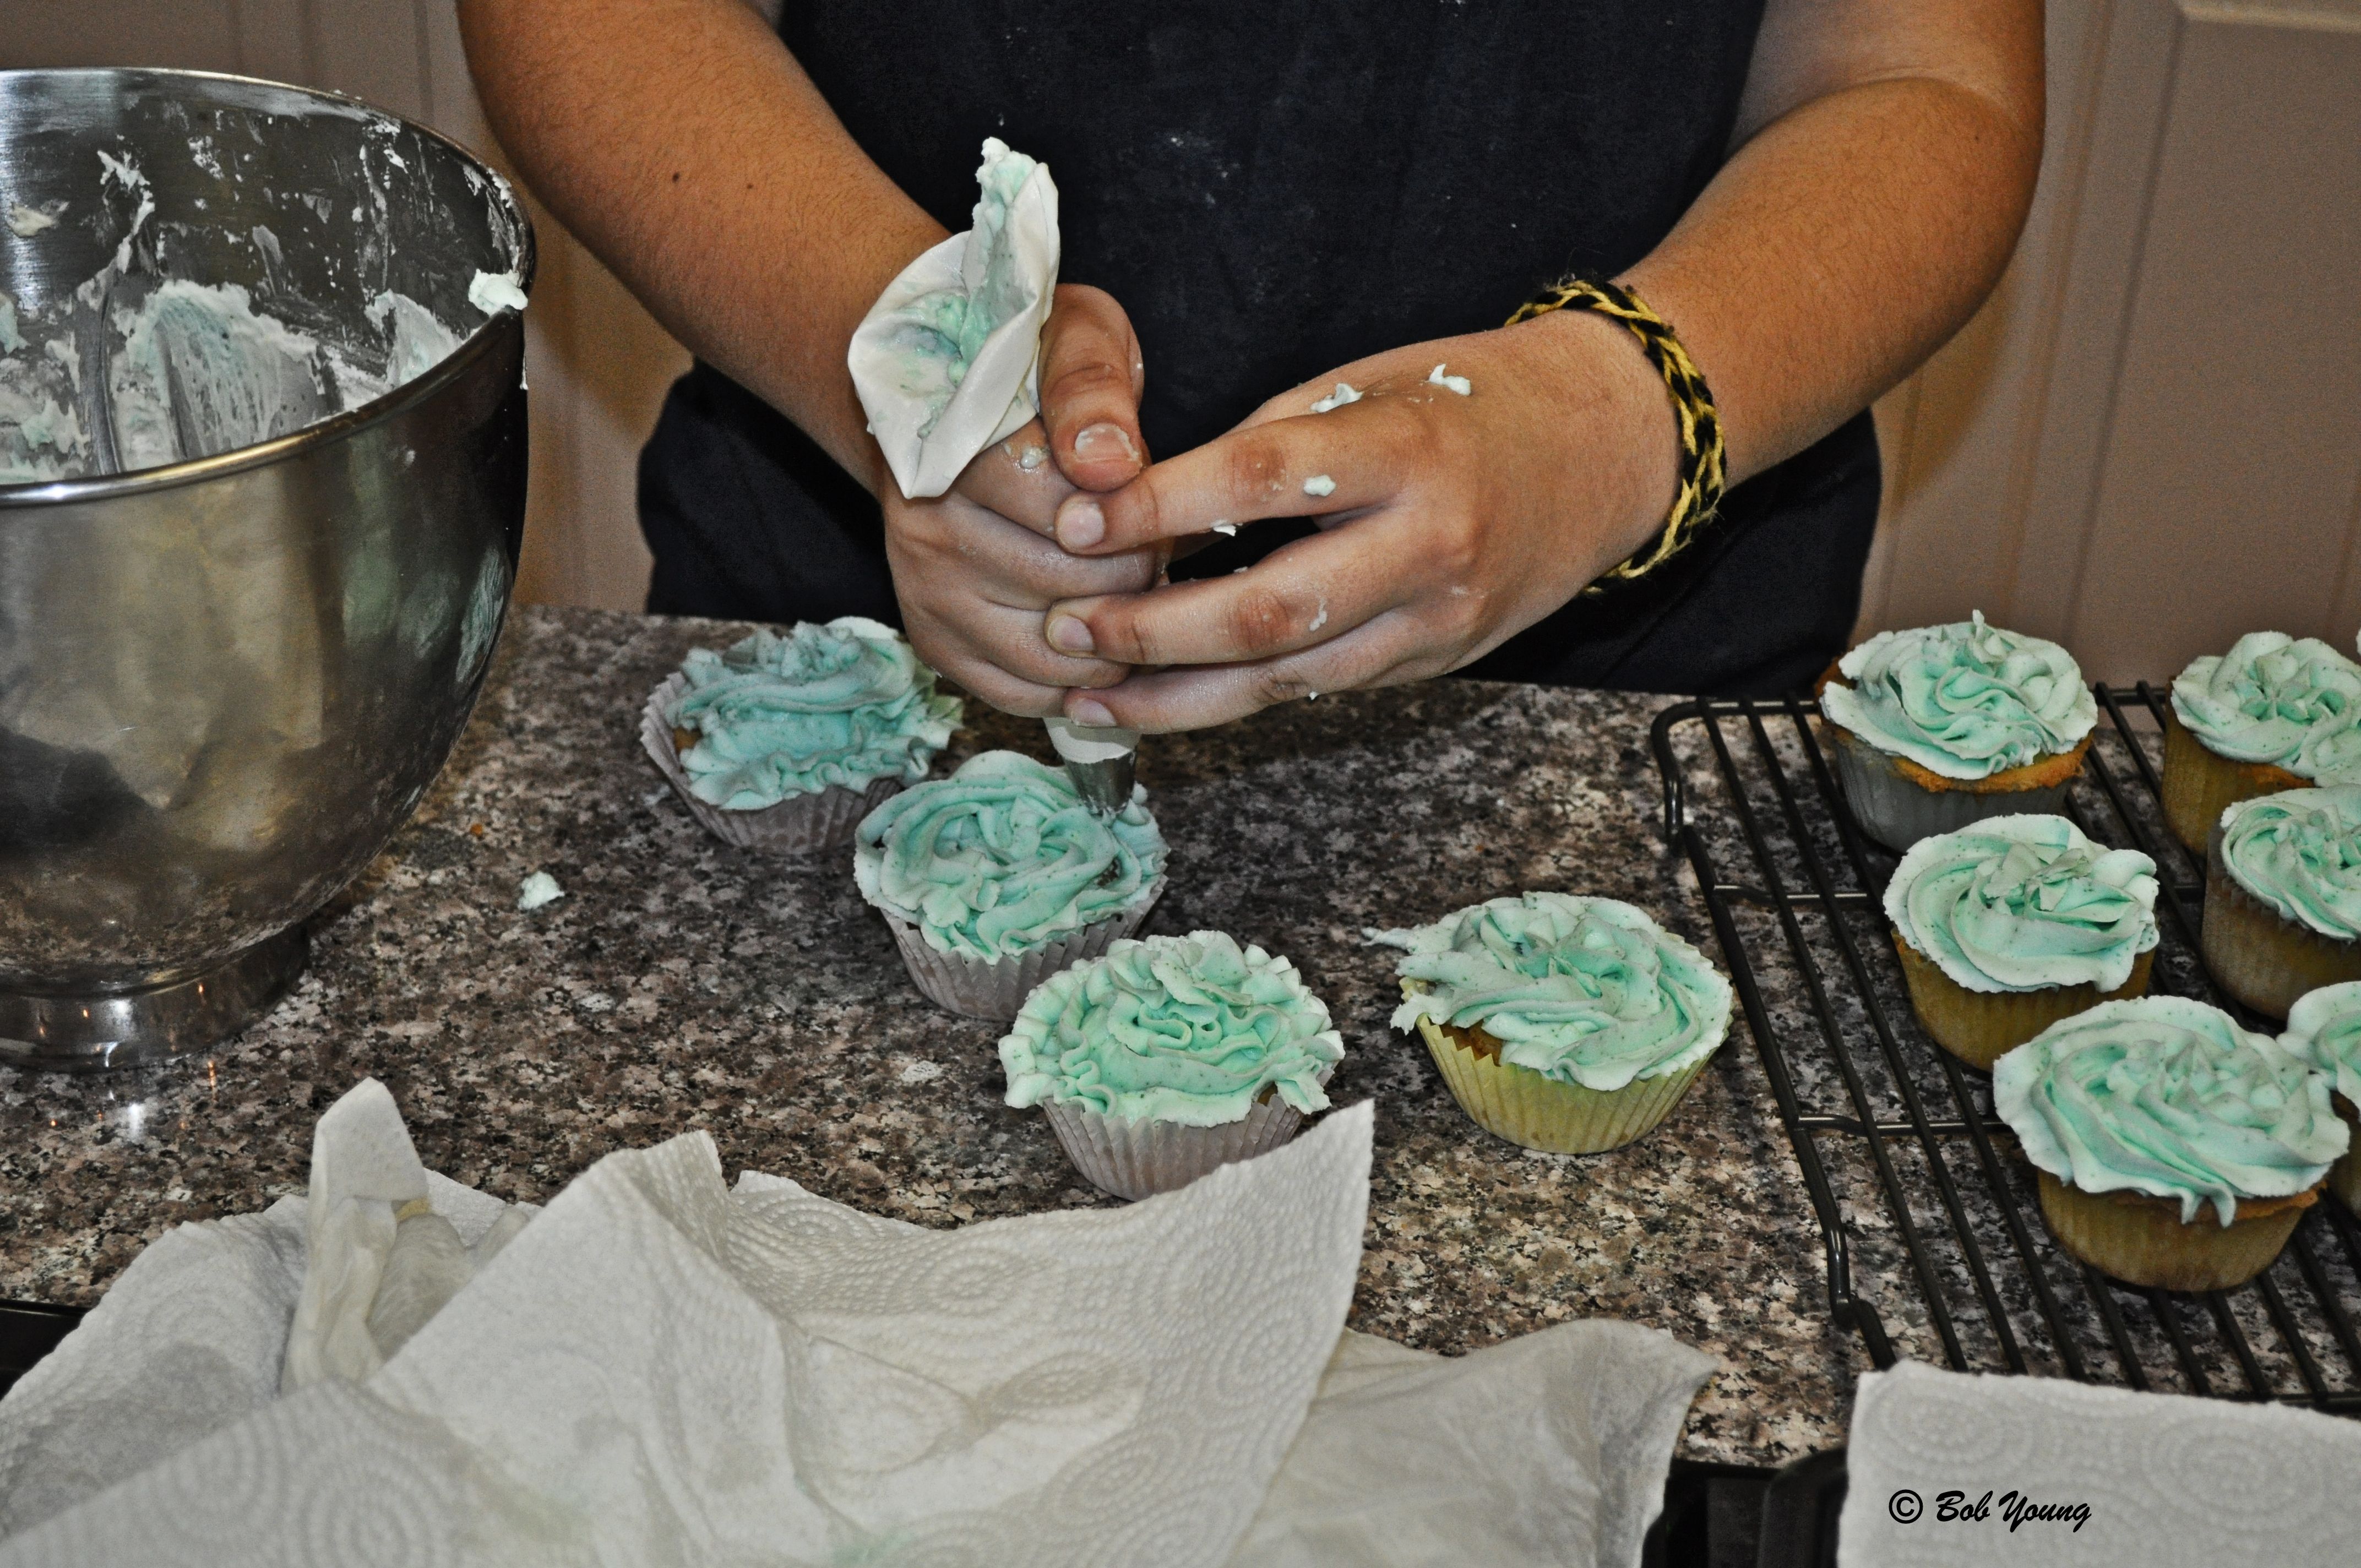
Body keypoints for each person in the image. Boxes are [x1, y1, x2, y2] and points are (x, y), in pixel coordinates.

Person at [459, 0, 2042, 730]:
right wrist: (922, 357)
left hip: (1630, 693)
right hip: (854, 660)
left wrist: (1609, 422)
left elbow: (1918, 73)